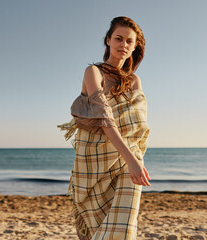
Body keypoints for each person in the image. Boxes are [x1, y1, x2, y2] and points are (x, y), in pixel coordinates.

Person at [58, 16, 150, 240]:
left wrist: (132, 161)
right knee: (95, 228)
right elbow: (104, 117)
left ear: (134, 46)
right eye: (119, 39)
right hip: (93, 161)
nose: (124, 45)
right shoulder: (93, 72)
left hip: (127, 162)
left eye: (130, 41)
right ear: (108, 40)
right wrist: (132, 160)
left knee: (124, 227)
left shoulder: (134, 81)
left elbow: (138, 127)